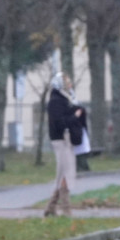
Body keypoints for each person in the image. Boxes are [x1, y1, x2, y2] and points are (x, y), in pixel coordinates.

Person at [44, 72, 86, 217]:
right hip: (61, 139)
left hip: (66, 139)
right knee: (65, 172)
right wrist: (75, 116)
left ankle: (51, 207)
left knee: (63, 171)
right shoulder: (56, 101)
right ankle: (66, 209)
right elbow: (59, 123)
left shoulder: (66, 98)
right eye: (67, 82)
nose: (70, 84)